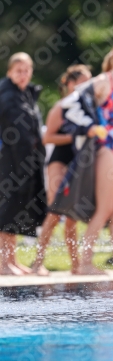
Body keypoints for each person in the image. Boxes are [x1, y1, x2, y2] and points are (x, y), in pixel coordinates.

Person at [60, 36, 113, 274]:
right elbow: (70, 104)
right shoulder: (102, 82)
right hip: (107, 147)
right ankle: (85, 263)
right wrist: (89, 126)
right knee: (104, 208)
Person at [32, 65, 92, 276]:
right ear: (70, 84)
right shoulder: (61, 106)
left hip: (79, 164)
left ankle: (76, 266)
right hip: (60, 161)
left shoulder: (88, 108)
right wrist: (77, 136)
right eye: (84, 81)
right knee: (55, 212)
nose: (89, 85)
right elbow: (47, 138)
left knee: (73, 217)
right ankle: (37, 262)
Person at [0, 53, 47, 275]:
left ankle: (11, 259)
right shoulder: (5, 94)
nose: (23, 74)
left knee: (15, 210)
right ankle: (3, 263)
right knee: (6, 210)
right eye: (18, 70)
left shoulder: (26, 95)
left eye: (27, 70)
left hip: (24, 163)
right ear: (9, 72)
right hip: (7, 162)